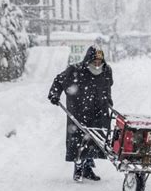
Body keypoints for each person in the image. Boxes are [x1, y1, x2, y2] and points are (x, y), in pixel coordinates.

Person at [48, 45, 113, 182]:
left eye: (99, 61)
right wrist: (54, 94)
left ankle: (87, 167)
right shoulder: (76, 70)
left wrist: (108, 100)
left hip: (99, 111)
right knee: (78, 139)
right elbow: (59, 80)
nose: (97, 64)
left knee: (95, 139)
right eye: (94, 61)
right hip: (79, 111)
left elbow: (107, 87)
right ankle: (78, 166)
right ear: (88, 59)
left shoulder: (106, 71)